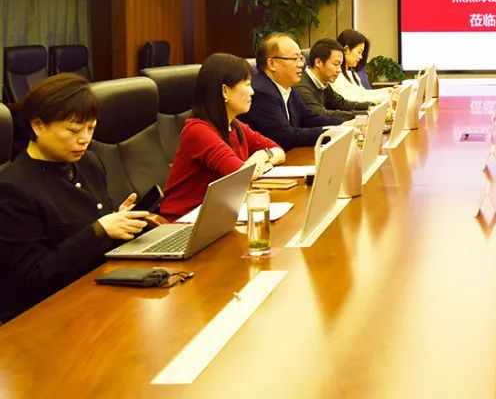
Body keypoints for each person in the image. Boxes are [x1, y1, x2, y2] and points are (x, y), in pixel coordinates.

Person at [0, 74, 159, 322]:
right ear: (38, 126)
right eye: (73, 130)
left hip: (99, 287)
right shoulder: (14, 188)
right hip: (50, 313)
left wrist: (119, 221)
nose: (85, 138)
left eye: (91, 128)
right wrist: (99, 231)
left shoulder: (89, 162)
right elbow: (31, 279)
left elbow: (91, 228)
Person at [160, 54, 286, 221]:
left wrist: (263, 155)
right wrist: (258, 163)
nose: (252, 91)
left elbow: (278, 151)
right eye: (247, 84)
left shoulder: (235, 125)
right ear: (225, 90)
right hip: (184, 221)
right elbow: (241, 175)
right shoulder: (198, 130)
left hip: (218, 215)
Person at [240, 33, 343, 150]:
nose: (301, 64)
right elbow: (286, 136)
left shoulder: (287, 86)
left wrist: (346, 125)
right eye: (294, 59)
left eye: (301, 58)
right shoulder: (261, 92)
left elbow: (309, 118)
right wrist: (332, 133)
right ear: (272, 64)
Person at [294, 39, 372, 121]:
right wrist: (361, 114)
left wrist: (368, 106)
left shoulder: (323, 84)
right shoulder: (302, 87)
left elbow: (342, 104)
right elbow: (320, 115)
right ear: (318, 62)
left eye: (340, 65)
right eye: (336, 64)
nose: (339, 70)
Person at [333, 29, 390, 104]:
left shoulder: (352, 74)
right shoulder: (335, 75)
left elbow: (363, 93)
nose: (361, 57)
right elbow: (350, 100)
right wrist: (386, 96)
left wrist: (388, 91)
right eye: (359, 52)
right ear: (346, 50)